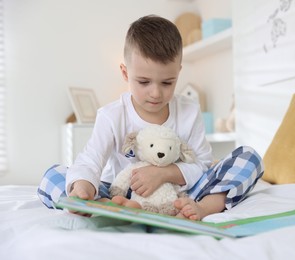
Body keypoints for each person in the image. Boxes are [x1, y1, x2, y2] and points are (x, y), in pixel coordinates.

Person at [38, 15, 264, 220]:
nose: (156, 93)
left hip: (177, 195)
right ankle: (109, 206)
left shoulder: (189, 110)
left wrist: (163, 173)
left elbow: (202, 164)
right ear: (126, 73)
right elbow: (90, 160)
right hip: (120, 191)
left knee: (249, 157)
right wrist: (83, 187)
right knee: (54, 176)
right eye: (144, 82)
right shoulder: (111, 115)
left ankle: (203, 208)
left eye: (167, 82)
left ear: (178, 72)